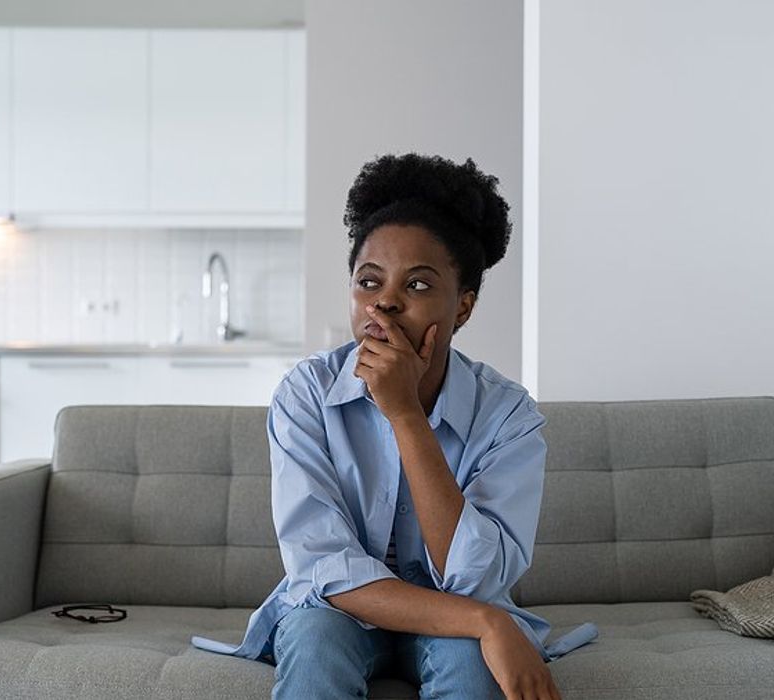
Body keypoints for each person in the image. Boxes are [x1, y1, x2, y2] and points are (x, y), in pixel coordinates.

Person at [193, 153, 594, 700]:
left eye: (420, 286)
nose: (384, 301)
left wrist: (405, 414)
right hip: (339, 614)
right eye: (368, 281)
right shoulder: (306, 394)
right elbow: (323, 569)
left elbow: (473, 580)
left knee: (472, 666)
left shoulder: (508, 416)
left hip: (456, 612)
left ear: (464, 307)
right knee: (314, 643)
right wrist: (488, 621)